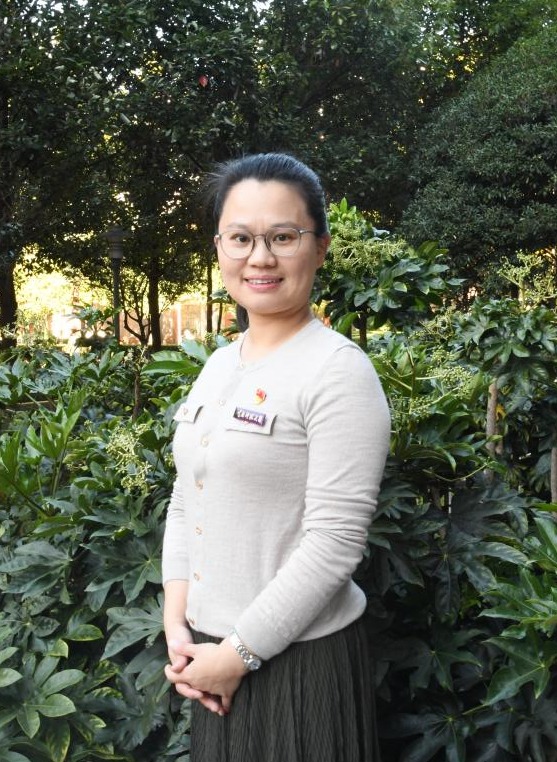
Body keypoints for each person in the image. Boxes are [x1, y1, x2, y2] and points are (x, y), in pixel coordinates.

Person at [162, 152, 391, 762]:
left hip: (296, 662)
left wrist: (238, 654)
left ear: (320, 247)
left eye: (283, 237)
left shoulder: (337, 371)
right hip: (208, 657)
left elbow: (335, 542)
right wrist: (177, 626)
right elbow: (187, 497)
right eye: (241, 238)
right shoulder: (219, 364)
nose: (259, 257)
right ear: (219, 248)